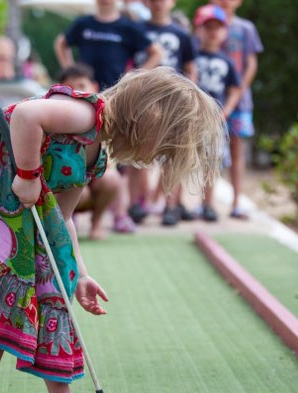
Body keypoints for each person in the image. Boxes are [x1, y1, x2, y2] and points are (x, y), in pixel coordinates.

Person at [0, 67, 225, 393]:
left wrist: (80, 273)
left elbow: (62, 219)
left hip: (19, 197)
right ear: (150, 115)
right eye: (164, 143)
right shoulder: (85, 114)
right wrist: (27, 175)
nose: (158, 154)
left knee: (57, 290)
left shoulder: (95, 152)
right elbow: (26, 115)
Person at [54, 0, 163, 233]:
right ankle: (69, 216)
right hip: (83, 98)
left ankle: (120, 213)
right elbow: (61, 43)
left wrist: (134, 78)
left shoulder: (127, 27)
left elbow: (156, 52)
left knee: (117, 156)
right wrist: (70, 72)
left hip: (115, 100)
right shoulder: (84, 23)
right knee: (78, 151)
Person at [131, 0, 198, 227]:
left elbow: (190, 67)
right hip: (143, 98)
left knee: (174, 153)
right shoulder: (136, 29)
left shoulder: (181, 34)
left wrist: (191, 97)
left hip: (174, 101)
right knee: (138, 150)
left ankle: (170, 206)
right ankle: (137, 203)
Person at [211, 0, 263, 220]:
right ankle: (208, 204)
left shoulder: (245, 28)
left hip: (240, 102)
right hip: (212, 101)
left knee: (237, 148)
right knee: (209, 151)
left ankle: (236, 202)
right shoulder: (208, 24)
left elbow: (251, 64)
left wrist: (238, 90)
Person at [57, 64, 121, 240]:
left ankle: (96, 222)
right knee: (78, 190)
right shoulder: (57, 119)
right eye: (70, 88)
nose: (77, 92)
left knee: (112, 180)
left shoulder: (104, 117)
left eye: (81, 86)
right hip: (64, 181)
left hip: (93, 178)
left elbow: (109, 168)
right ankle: (66, 220)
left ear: (93, 87)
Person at [193, 4, 241, 222]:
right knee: (179, 160)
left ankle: (208, 204)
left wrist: (226, 111)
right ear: (199, 30)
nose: (212, 32)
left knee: (212, 163)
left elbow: (235, 89)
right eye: (207, 27)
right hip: (191, 118)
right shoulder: (191, 58)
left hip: (214, 121)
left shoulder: (227, 62)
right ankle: (173, 205)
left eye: (217, 27)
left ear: (224, 32)